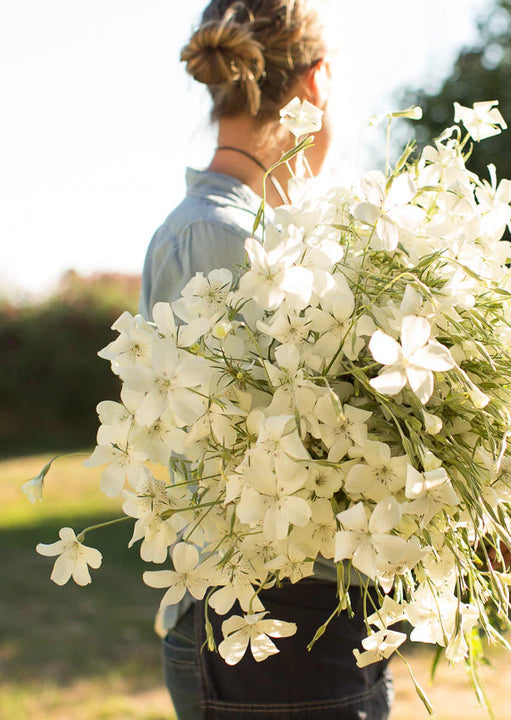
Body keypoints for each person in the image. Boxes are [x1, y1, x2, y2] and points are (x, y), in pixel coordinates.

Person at [139, 2, 393, 718]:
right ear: (317, 82)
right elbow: (255, 457)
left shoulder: (258, 233)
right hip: (270, 632)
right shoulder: (218, 239)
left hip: (307, 626)